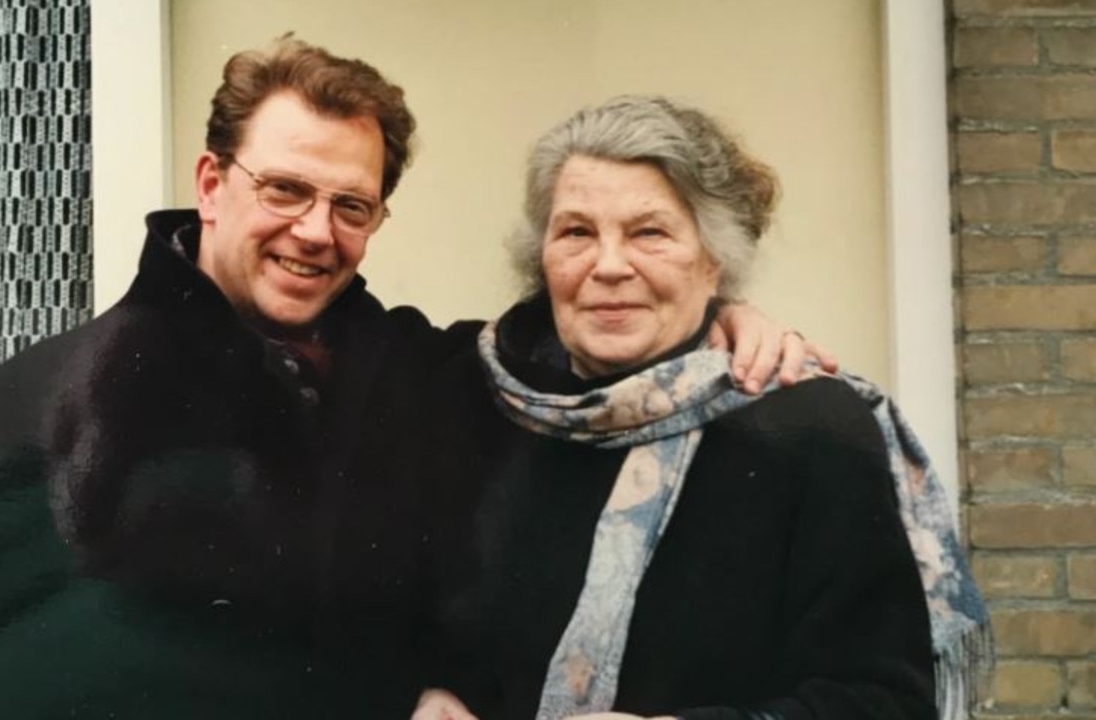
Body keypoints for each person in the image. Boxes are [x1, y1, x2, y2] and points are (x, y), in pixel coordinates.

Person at [0, 39, 830, 719]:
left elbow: (584, 347)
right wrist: (391, 701)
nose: (315, 231)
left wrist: (713, 317)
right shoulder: (56, 401)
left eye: (351, 205)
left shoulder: (409, 370)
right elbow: (45, 674)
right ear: (212, 183)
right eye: (286, 190)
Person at [416, 96, 990, 720]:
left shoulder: (810, 431)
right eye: (577, 232)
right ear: (541, 257)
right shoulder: (474, 399)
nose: (609, 266)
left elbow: (883, 702)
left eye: (650, 233)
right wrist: (432, 690)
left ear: (714, 261)